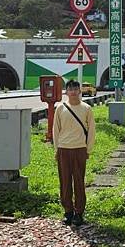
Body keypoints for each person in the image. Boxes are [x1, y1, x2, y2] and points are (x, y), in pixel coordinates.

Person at [53, 79, 96, 226]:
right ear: (66, 92)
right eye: (70, 89)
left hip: (79, 149)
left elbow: (91, 131)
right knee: (64, 181)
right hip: (64, 149)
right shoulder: (60, 108)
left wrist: (88, 149)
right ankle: (68, 211)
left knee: (79, 181)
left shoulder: (87, 108)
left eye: (75, 89)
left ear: (79, 91)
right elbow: (55, 130)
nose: (73, 92)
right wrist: (56, 149)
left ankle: (79, 212)